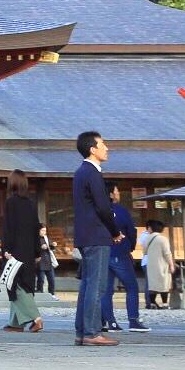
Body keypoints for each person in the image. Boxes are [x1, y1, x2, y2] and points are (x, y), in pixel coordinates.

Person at [72, 131, 123, 346]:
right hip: (97, 234)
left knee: (87, 285)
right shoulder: (93, 173)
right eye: (103, 144)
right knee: (97, 285)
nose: (107, 148)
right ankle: (92, 332)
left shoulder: (80, 172)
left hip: (85, 234)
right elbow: (103, 207)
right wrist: (114, 231)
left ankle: (82, 331)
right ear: (92, 149)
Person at [102, 184, 149, 333]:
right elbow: (131, 230)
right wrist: (130, 247)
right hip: (120, 252)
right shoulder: (120, 211)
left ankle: (110, 322)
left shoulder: (98, 210)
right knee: (132, 287)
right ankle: (133, 320)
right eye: (116, 191)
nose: (118, 193)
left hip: (103, 253)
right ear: (110, 194)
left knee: (107, 290)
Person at [0, 172, 42, 332]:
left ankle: (36, 318)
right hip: (29, 250)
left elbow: (8, 228)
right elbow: (35, 228)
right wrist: (37, 252)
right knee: (22, 283)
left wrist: (6, 249)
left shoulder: (11, 202)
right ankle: (15, 323)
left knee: (16, 284)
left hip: (15, 250)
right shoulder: (31, 203)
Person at [143, 217, 175, 309]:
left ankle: (152, 303)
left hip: (151, 264)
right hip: (162, 264)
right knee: (164, 284)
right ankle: (165, 304)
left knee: (152, 285)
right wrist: (171, 264)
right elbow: (167, 253)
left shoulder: (147, 239)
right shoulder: (162, 239)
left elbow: (144, 252)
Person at [36, 226, 59, 295]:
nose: (44, 232)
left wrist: (53, 245)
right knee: (41, 279)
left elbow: (51, 247)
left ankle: (52, 294)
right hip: (40, 261)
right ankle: (40, 293)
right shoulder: (35, 239)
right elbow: (32, 249)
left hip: (48, 261)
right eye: (42, 230)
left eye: (45, 231)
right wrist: (40, 247)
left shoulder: (46, 238)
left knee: (52, 279)